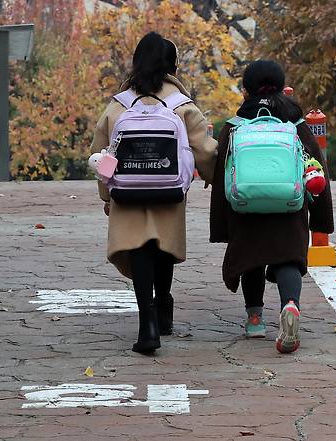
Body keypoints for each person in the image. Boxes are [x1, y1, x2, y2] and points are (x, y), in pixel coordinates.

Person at [91, 32, 217, 354]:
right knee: (163, 248)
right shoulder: (181, 105)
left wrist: (107, 195)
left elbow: (99, 153)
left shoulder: (118, 105)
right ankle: (163, 309)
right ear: (172, 65)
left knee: (138, 249)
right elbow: (205, 150)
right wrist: (214, 177)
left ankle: (146, 322)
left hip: (127, 193)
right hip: (168, 191)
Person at [209, 60, 335, 353]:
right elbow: (316, 168)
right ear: (281, 87)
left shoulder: (235, 126)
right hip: (289, 207)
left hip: (245, 207)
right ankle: (290, 305)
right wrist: (320, 218)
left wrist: (223, 224)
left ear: (245, 91)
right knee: (288, 259)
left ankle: (255, 320)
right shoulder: (295, 123)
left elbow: (221, 175)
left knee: (252, 257)